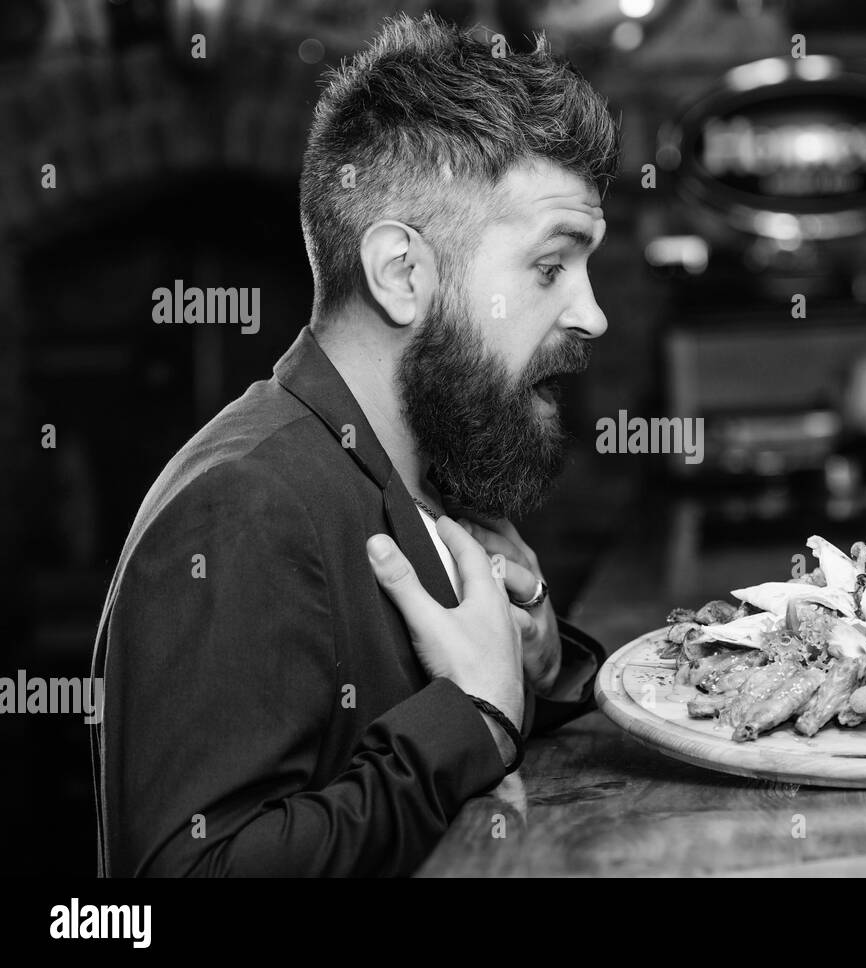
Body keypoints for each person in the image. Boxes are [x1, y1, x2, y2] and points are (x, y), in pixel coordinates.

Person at [90, 14, 619, 876]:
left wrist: (538, 665)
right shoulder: (242, 506)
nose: (593, 315)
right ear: (403, 274)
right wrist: (473, 716)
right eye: (550, 266)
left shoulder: (423, 465)